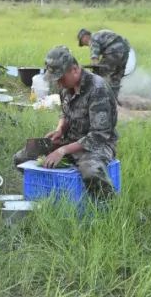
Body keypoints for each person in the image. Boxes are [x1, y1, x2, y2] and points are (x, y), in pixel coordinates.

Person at [13, 45, 118, 198]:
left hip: (97, 145)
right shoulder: (65, 86)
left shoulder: (97, 89)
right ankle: (48, 194)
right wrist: (60, 129)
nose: (58, 84)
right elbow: (66, 113)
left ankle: (108, 205)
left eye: (61, 78)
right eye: (56, 80)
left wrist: (62, 151)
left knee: (90, 171)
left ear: (75, 70)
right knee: (21, 158)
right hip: (70, 139)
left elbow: (99, 135)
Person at [77, 28, 131, 102]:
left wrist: (94, 64)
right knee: (116, 76)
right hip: (125, 51)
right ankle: (114, 100)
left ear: (85, 37)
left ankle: (98, 97)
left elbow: (95, 54)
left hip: (113, 51)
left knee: (99, 73)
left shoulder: (93, 38)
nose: (85, 45)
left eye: (82, 42)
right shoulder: (102, 33)